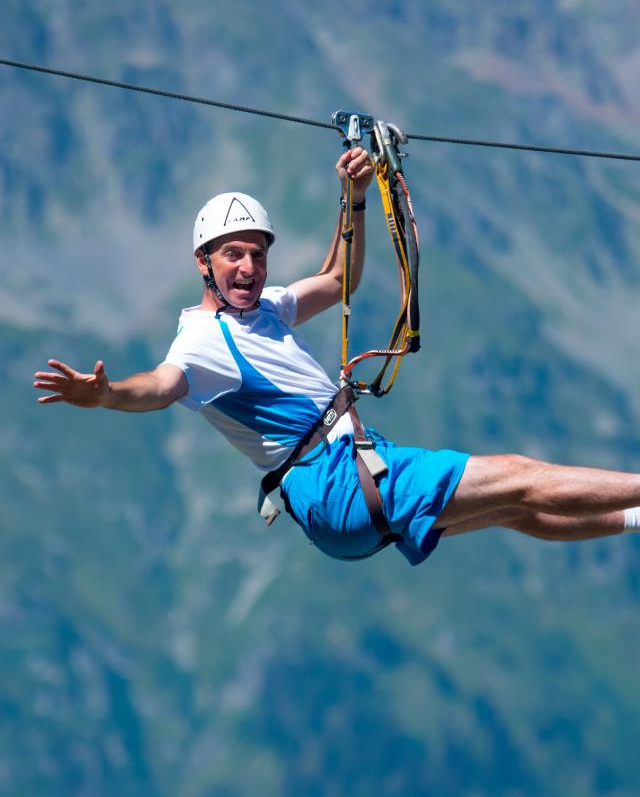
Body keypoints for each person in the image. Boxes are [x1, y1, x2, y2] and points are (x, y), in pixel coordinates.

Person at [34, 147, 640, 565]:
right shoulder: (200, 342)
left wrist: (353, 195)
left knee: (513, 506)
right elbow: (161, 385)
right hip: (339, 486)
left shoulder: (266, 307)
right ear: (204, 263)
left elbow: (340, 278)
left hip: (346, 492)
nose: (249, 268)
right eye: (233, 255)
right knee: (521, 474)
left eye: (258, 255)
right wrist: (106, 396)